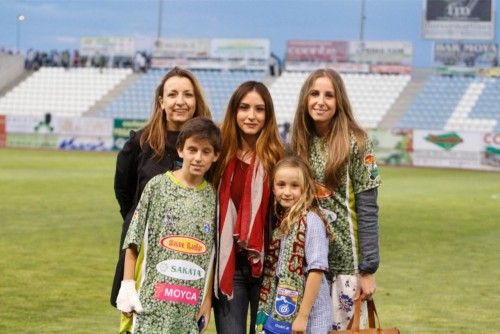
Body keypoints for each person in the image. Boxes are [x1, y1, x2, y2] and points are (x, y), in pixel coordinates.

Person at [110, 67, 212, 312]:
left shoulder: (207, 146)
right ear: (161, 100)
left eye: (187, 95)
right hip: (144, 247)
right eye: (173, 94)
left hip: (188, 250)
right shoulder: (140, 142)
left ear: (196, 101)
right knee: (137, 315)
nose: (180, 101)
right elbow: (124, 192)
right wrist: (138, 221)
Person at [290, 69, 381, 331]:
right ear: (305, 99)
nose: (321, 101)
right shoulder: (297, 143)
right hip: (307, 264)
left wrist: (368, 270)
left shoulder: (358, 142)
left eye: (329, 95)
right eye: (314, 94)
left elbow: (368, 209)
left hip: (346, 266)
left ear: (339, 100)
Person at [116, 117, 221, 333]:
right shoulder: (157, 186)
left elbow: (212, 257)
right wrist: (127, 285)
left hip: (188, 307)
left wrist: (207, 300)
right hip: (151, 302)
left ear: (215, 156)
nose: (198, 157)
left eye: (206, 151)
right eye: (192, 149)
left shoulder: (214, 198)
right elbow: (133, 239)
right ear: (180, 150)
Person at [213, 81, 284, 334]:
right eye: (244, 108)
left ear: (268, 115)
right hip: (229, 266)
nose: (251, 116)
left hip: (269, 269)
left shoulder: (280, 157)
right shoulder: (218, 155)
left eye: (259, 109)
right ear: (234, 112)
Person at [256, 156, 334, 334]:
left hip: (310, 317)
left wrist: (303, 316)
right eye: (281, 185)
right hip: (282, 310)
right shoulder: (280, 222)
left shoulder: (312, 221)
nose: (287, 192)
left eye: (294, 186)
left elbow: (316, 271)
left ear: (306, 188)